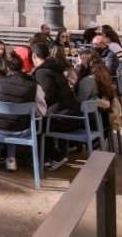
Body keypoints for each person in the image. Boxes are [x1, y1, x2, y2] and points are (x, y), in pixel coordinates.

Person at [0, 52, 46, 172]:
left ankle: (2, 156)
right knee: (17, 120)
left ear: (7, 68)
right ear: (22, 67)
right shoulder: (34, 86)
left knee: (5, 119)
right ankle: (11, 158)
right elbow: (41, 111)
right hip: (23, 129)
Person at [31, 42, 79, 170]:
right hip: (70, 112)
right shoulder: (53, 67)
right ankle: (45, 157)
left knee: (37, 123)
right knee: (40, 120)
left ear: (34, 56)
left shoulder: (42, 72)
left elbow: (47, 97)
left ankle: (53, 156)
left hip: (63, 116)